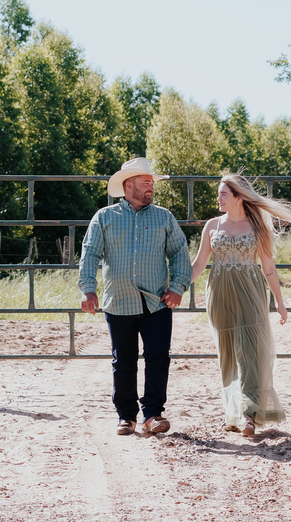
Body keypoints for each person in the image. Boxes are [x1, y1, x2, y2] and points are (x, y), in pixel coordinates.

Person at [79, 157, 191, 437]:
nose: (151, 186)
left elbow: (179, 252)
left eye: (152, 182)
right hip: (119, 301)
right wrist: (88, 289)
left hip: (156, 302)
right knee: (123, 361)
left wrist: (178, 286)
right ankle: (126, 417)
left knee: (158, 358)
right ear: (128, 185)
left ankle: (152, 414)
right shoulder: (104, 217)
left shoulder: (164, 217)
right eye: (145, 182)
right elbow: (90, 253)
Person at [190, 171, 291, 437]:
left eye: (223, 194)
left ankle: (248, 414)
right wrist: (177, 287)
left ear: (238, 198)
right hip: (219, 294)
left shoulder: (257, 227)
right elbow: (198, 264)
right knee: (228, 353)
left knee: (250, 351)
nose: (218, 198)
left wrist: (280, 301)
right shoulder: (212, 226)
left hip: (251, 294)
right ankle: (232, 411)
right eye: (219, 194)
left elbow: (269, 267)